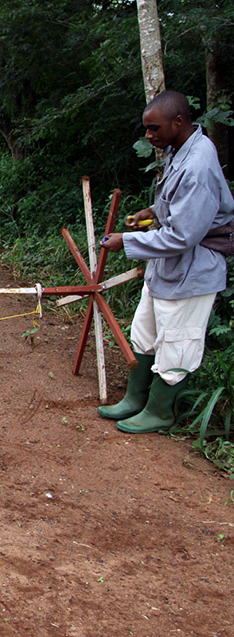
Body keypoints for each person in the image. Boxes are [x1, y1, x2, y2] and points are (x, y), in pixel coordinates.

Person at [99, 90, 234, 434]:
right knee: (145, 330)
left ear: (178, 122)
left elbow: (183, 235)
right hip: (167, 268)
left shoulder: (199, 164)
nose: (148, 135)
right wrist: (150, 213)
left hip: (193, 270)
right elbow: (176, 206)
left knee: (177, 343)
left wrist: (126, 241)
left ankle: (160, 411)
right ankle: (135, 398)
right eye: (147, 129)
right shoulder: (179, 151)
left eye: (154, 128)